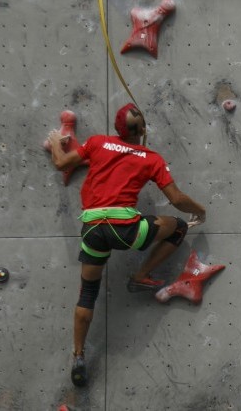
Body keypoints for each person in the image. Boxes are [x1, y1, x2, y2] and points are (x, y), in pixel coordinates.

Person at [47, 103, 207, 387]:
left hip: (94, 230)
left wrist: (53, 143)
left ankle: (79, 356)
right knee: (178, 227)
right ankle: (140, 275)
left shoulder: (97, 143)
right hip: (127, 231)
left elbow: (62, 163)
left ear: (117, 128)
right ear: (143, 129)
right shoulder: (151, 158)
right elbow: (177, 199)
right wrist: (200, 210)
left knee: (87, 295)